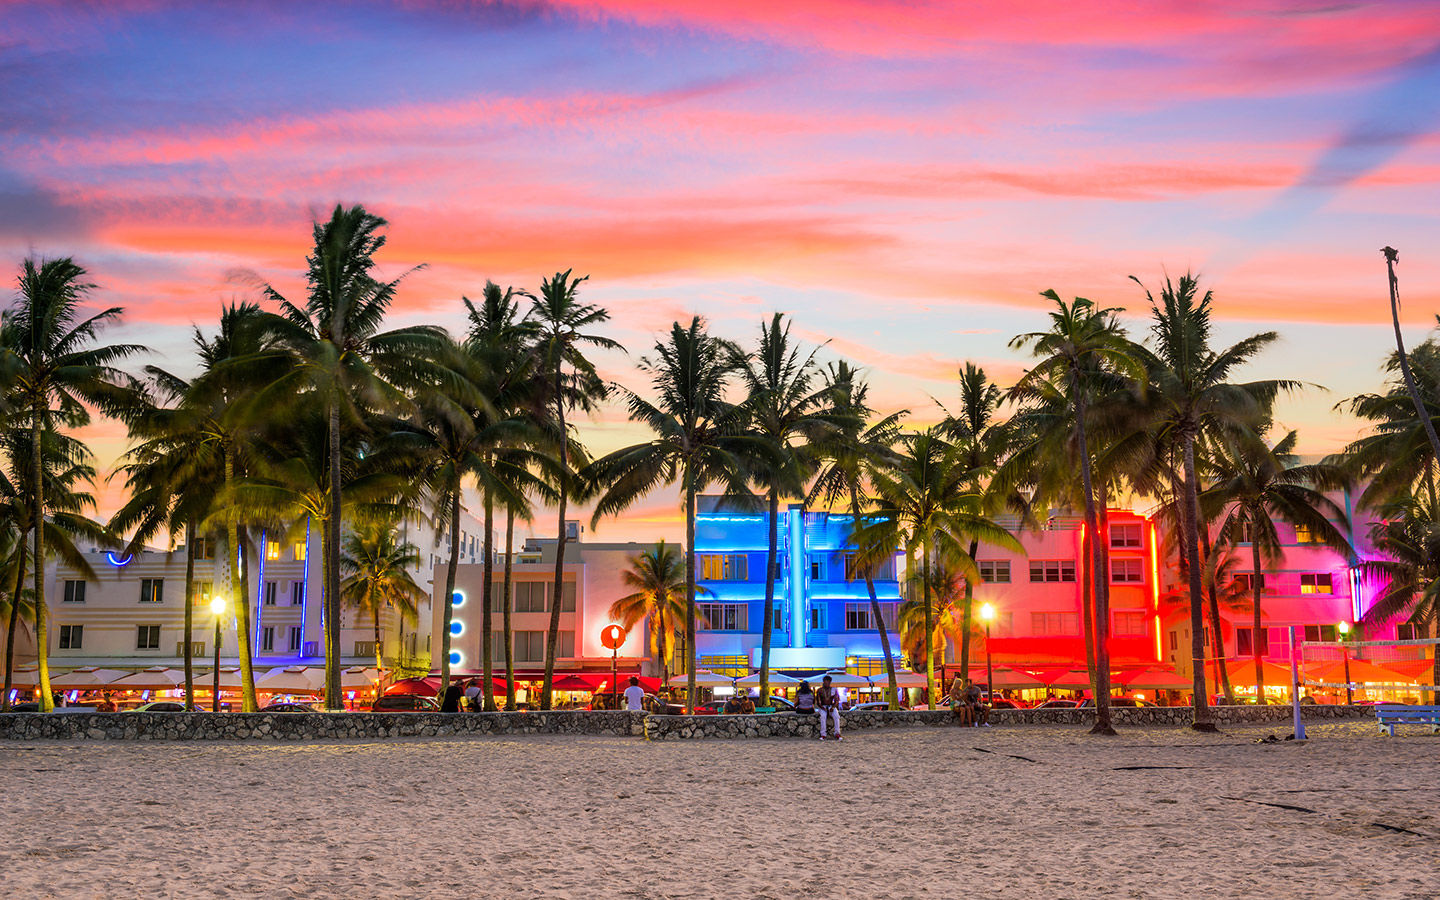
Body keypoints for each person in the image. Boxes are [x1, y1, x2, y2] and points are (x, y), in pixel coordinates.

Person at [815, 675, 842, 740]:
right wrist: (822, 708)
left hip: (831, 706)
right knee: (823, 717)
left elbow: (837, 700)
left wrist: (832, 707)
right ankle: (823, 734)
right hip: (823, 707)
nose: (826, 683)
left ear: (830, 682)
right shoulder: (819, 690)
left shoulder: (834, 689)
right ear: (823, 682)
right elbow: (818, 702)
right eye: (825, 682)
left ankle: (837, 733)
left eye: (828, 682)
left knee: (836, 716)